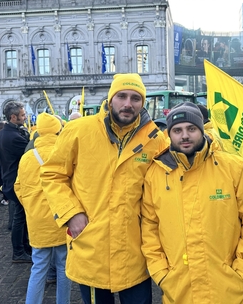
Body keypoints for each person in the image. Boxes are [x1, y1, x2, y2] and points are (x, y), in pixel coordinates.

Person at [41, 73, 167, 304]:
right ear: (110, 99)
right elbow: (52, 175)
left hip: (135, 250)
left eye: (135, 98)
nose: (128, 104)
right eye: (122, 96)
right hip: (92, 247)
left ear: (143, 103)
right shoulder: (79, 130)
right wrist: (71, 214)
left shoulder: (155, 139)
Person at [141, 102, 243, 304]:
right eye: (177, 130)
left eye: (191, 128)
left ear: (202, 130)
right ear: (169, 135)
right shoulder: (155, 175)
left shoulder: (233, 168)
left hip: (229, 288)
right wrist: (161, 272)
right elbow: (149, 227)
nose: (185, 135)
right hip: (179, 288)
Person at [15, 112, 71, 304]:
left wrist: (31, 206)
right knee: (64, 266)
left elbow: (18, 187)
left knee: (38, 267)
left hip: (37, 220)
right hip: (62, 216)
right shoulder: (64, 152)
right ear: (58, 130)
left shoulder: (27, 158)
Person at [0, 101, 31, 263]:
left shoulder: (5, 132)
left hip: (9, 179)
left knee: (22, 216)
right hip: (15, 181)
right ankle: (18, 251)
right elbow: (31, 153)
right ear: (13, 117)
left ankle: (24, 247)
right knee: (19, 217)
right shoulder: (13, 136)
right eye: (23, 115)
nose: (25, 118)